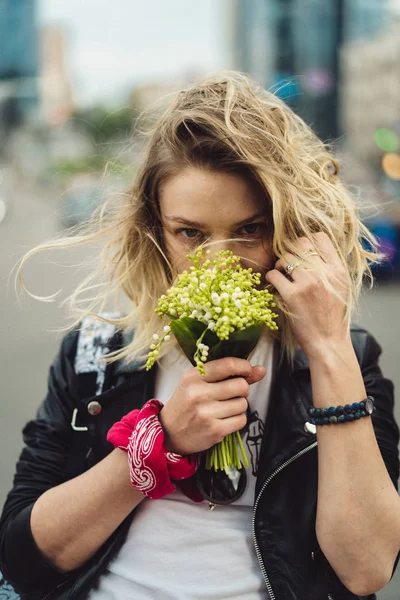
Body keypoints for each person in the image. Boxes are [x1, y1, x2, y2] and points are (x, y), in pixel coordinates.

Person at [0, 71, 399, 600]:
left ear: (290, 227)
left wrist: (327, 348)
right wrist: (159, 442)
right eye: (191, 233)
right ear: (156, 231)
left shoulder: (347, 358)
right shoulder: (96, 353)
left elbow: (367, 569)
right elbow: (24, 557)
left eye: (250, 230)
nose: (219, 262)